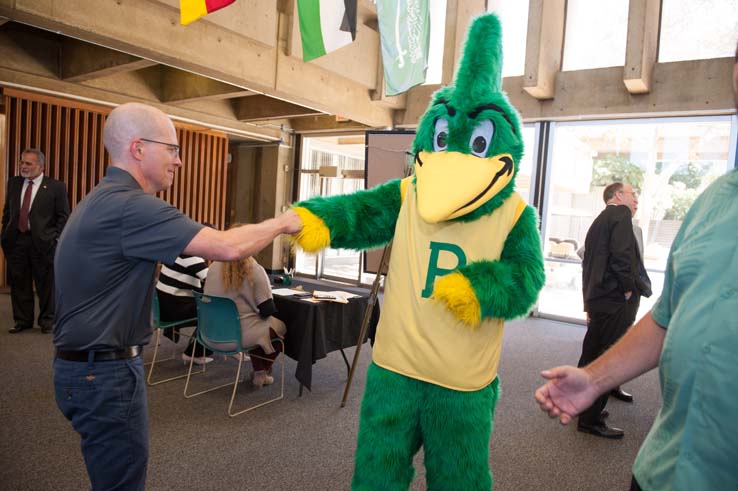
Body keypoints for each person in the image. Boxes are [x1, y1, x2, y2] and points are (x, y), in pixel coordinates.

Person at [52, 102, 302, 491]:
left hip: (86, 368)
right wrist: (286, 221)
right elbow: (227, 246)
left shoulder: (104, 199)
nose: (179, 161)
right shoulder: (130, 206)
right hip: (103, 373)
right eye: (172, 149)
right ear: (138, 149)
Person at [535, 43, 738, 490]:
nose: (635, 197)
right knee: (599, 345)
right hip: (661, 470)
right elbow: (666, 311)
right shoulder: (712, 202)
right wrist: (594, 377)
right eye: (630, 191)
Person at [576, 182, 651, 438]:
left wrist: (589, 301)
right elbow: (622, 257)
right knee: (609, 358)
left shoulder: (599, 220)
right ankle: (590, 419)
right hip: (615, 298)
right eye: (633, 194)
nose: (636, 199)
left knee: (591, 354)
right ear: (618, 196)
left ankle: (581, 404)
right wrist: (628, 288)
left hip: (598, 299)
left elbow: (590, 264)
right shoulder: (620, 215)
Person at [1, 148, 69, 334]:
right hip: (17, 242)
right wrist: (5, 235)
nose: (23, 166)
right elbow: (8, 212)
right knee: (19, 283)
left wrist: (55, 239)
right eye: (22, 162)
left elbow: (63, 216)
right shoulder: (14, 183)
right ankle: (22, 320)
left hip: (44, 243)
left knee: (46, 284)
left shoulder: (56, 187)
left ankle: (47, 321)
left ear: (40, 166)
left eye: (28, 163)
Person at [204, 251, 286, 388]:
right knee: (279, 327)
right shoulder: (255, 269)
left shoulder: (213, 266)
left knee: (257, 327)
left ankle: (260, 371)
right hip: (236, 337)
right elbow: (267, 310)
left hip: (210, 333)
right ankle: (261, 372)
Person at [155, 252, 213, 364]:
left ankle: (197, 347)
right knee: (215, 313)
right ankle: (194, 353)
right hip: (174, 310)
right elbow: (213, 279)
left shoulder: (176, 252)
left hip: (162, 308)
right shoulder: (190, 256)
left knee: (208, 305)